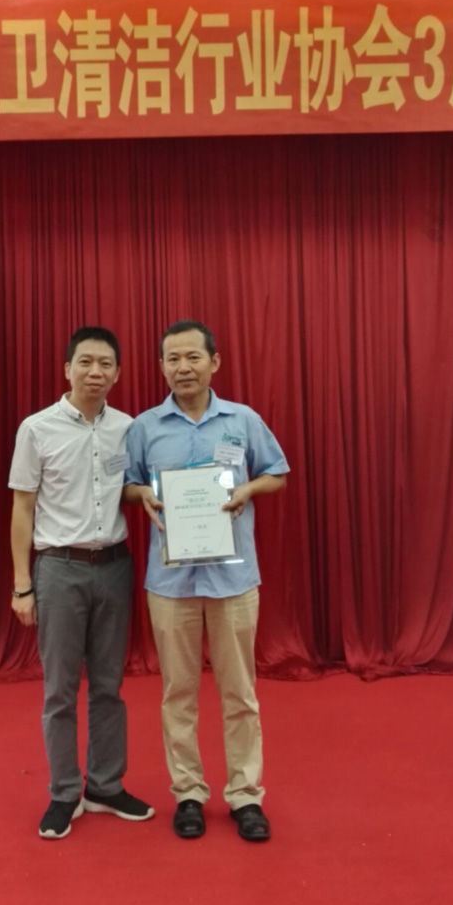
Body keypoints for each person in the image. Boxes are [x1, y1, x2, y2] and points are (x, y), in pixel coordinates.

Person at [124, 320, 289, 842]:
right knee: (178, 693)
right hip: (170, 581)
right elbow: (128, 484)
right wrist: (141, 495)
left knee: (240, 692)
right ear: (161, 367)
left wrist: (248, 491)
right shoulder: (145, 427)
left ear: (214, 362)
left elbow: (278, 473)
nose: (183, 367)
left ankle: (246, 795)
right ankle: (189, 793)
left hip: (233, 578)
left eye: (193, 357)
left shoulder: (243, 420)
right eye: (172, 358)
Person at [9, 326, 154, 840]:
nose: (96, 372)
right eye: (86, 362)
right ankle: (64, 792)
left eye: (106, 364)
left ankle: (106, 786)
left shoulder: (129, 428)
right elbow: (22, 506)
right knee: (60, 690)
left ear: (118, 372)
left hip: (114, 566)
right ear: (67, 369)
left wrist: (153, 496)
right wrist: (22, 584)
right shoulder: (37, 429)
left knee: (110, 686)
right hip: (59, 568)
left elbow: (133, 490)